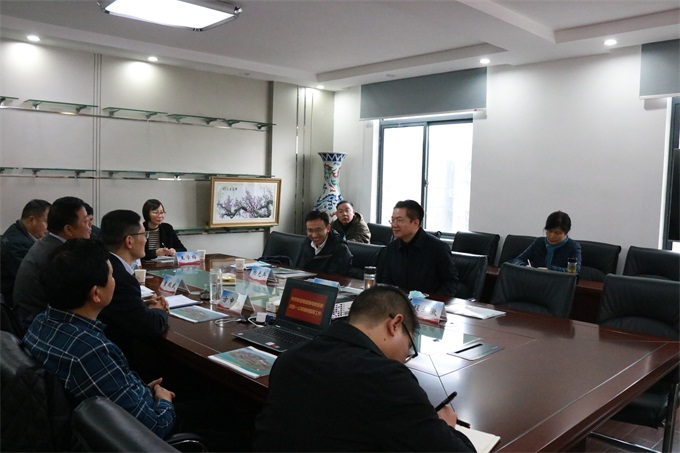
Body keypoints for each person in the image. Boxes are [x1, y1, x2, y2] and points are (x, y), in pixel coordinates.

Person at [253, 285, 475, 452]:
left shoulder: (291, 358)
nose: (405, 357)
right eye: (409, 346)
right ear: (395, 324)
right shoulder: (387, 379)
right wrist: (445, 426)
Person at [22, 239, 176, 438]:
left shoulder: (40, 322)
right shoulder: (89, 351)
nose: (115, 280)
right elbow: (153, 427)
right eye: (112, 275)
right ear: (96, 294)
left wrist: (142, 391)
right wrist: (164, 400)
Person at [98, 209, 169, 379]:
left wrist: (143, 306)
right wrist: (159, 310)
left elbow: (121, 309)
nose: (146, 239)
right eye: (144, 234)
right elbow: (149, 326)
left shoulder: (106, 262)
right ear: (129, 241)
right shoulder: (119, 277)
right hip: (122, 363)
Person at [13, 196, 91, 328]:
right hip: (36, 322)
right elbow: (71, 300)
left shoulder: (50, 243)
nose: (90, 226)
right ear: (68, 230)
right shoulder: (56, 255)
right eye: (86, 221)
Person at [377, 200, 459, 297]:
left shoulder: (438, 248)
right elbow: (387, 282)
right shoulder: (392, 248)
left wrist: (433, 301)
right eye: (393, 220)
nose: (394, 225)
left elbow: (450, 283)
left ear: (415, 223)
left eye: (399, 220)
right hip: (399, 302)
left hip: (429, 303)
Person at [1, 199, 51, 306]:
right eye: (47, 222)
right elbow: (32, 281)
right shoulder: (16, 244)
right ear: (31, 220)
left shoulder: (18, 229)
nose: (50, 228)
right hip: (19, 305)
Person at [511, 210, 582, 273]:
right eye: (549, 231)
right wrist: (523, 266)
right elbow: (517, 260)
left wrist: (550, 269)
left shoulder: (573, 247)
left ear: (566, 233)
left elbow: (574, 271)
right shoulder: (539, 242)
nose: (552, 236)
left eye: (557, 233)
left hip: (558, 282)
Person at [297, 210, 352, 276]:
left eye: (318, 230)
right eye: (310, 230)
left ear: (328, 228)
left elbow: (336, 277)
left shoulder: (340, 247)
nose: (314, 235)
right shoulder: (306, 243)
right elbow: (300, 270)